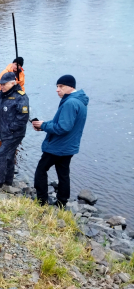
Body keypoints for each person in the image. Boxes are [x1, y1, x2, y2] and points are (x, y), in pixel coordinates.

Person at [32, 75, 88, 207]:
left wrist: (44, 126)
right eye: (57, 86)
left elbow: (64, 127)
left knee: (41, 170)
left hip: (58, 146)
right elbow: (62, 123)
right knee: (63, 174)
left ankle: (41, 201)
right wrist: (44, 125)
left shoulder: (70, 103)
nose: (58, 89)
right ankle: (62, 203)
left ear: (71, 87)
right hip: (69, 146)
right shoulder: (79, 101)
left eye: (61, 86)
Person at [0, 72, 29, 188]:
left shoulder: (21, 97)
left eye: (4, 84)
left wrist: (10, 129)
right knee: (9, 155)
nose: (2, 86)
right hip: (2, 132)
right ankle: (8, 180)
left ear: (12, 83)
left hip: (15, 133)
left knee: (1, 155)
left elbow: (23, 117)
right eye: (1, 84)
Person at [0, 57, 25, 130]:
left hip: (16, 94)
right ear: (12, 63)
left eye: (19, 65)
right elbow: (2, 85)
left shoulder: (21, 73)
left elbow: (22, 84)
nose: (17, 66)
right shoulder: (5, 72)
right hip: (4, 93)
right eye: (15, 64)